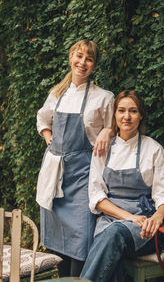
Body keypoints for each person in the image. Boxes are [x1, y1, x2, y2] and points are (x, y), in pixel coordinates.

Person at [80, 89, 164, 282]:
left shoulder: (153, 149)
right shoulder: (103, 149)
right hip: (111, 221)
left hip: (144, 227)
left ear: (141, 116)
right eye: (121, 110)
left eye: (133, 111)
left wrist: (157, 217)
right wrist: (129, 217)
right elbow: (97, 197)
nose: (126, 116)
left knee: (113, 236)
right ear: (114, 114)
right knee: (112, 243)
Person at [36, 39, 114, 277]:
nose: (83, 63)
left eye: (89, 59)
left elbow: (113, 129)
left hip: (83, 175)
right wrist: (48, 136)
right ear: (71, 58)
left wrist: (106, 131)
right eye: (79, 56)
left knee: (82, 235)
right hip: (56, 173)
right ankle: (60, 278)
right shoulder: (56, 94)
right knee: (57, 238)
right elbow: (42, 119)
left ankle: (79, 280)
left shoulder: (104, 97)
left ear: (94, 65)